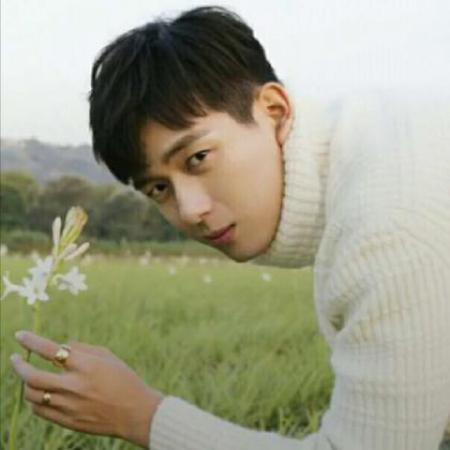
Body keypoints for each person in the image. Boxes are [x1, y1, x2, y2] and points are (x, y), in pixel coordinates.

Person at [10, 5, 450, 450]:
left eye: (198, 158)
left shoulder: (389, 223)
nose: (190, 211)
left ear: (274, 110)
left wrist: (142, 416)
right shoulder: (372, 141)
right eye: (159, 188)